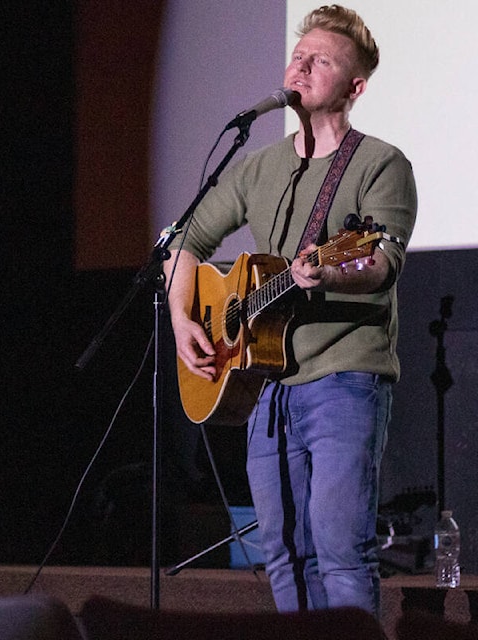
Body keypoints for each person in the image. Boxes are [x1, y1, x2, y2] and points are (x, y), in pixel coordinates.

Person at [163, 6, 416, 616]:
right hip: (265, 388)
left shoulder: (381, 164)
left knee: (341, 552)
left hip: (344, 381)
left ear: (354, 88)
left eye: (320, 60)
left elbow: (380, 262)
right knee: (281, 554)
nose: (300, 66)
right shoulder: (258, 166)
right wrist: (181, 322)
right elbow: (183, 245)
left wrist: (325, 271)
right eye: (298, 55)